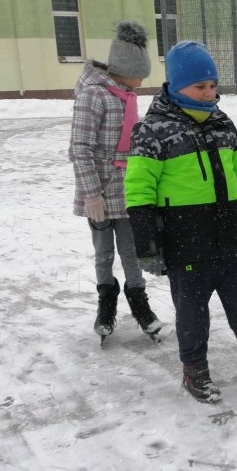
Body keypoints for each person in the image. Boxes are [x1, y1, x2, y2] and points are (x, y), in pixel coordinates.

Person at [124, 41, 237, 402]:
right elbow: (138, 191)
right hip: (185, 241)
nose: (209, 93)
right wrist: (146, 244)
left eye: (213, 85)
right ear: (176, 85)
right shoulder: (152, 131)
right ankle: (195, 372)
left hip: (230, 237)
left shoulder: (222, 123)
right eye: (201, 86)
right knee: (192, 316)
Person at [69, 20, 162, 344]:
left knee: (132, 252)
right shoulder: (93, 96)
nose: (141, 82)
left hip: (125, 192)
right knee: (104, 253)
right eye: (140, 74)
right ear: (126, 68)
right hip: (98, 193)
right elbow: (79, 149)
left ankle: (140, 306)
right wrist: (92, 195)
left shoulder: (126, 97)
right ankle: (105, 307)